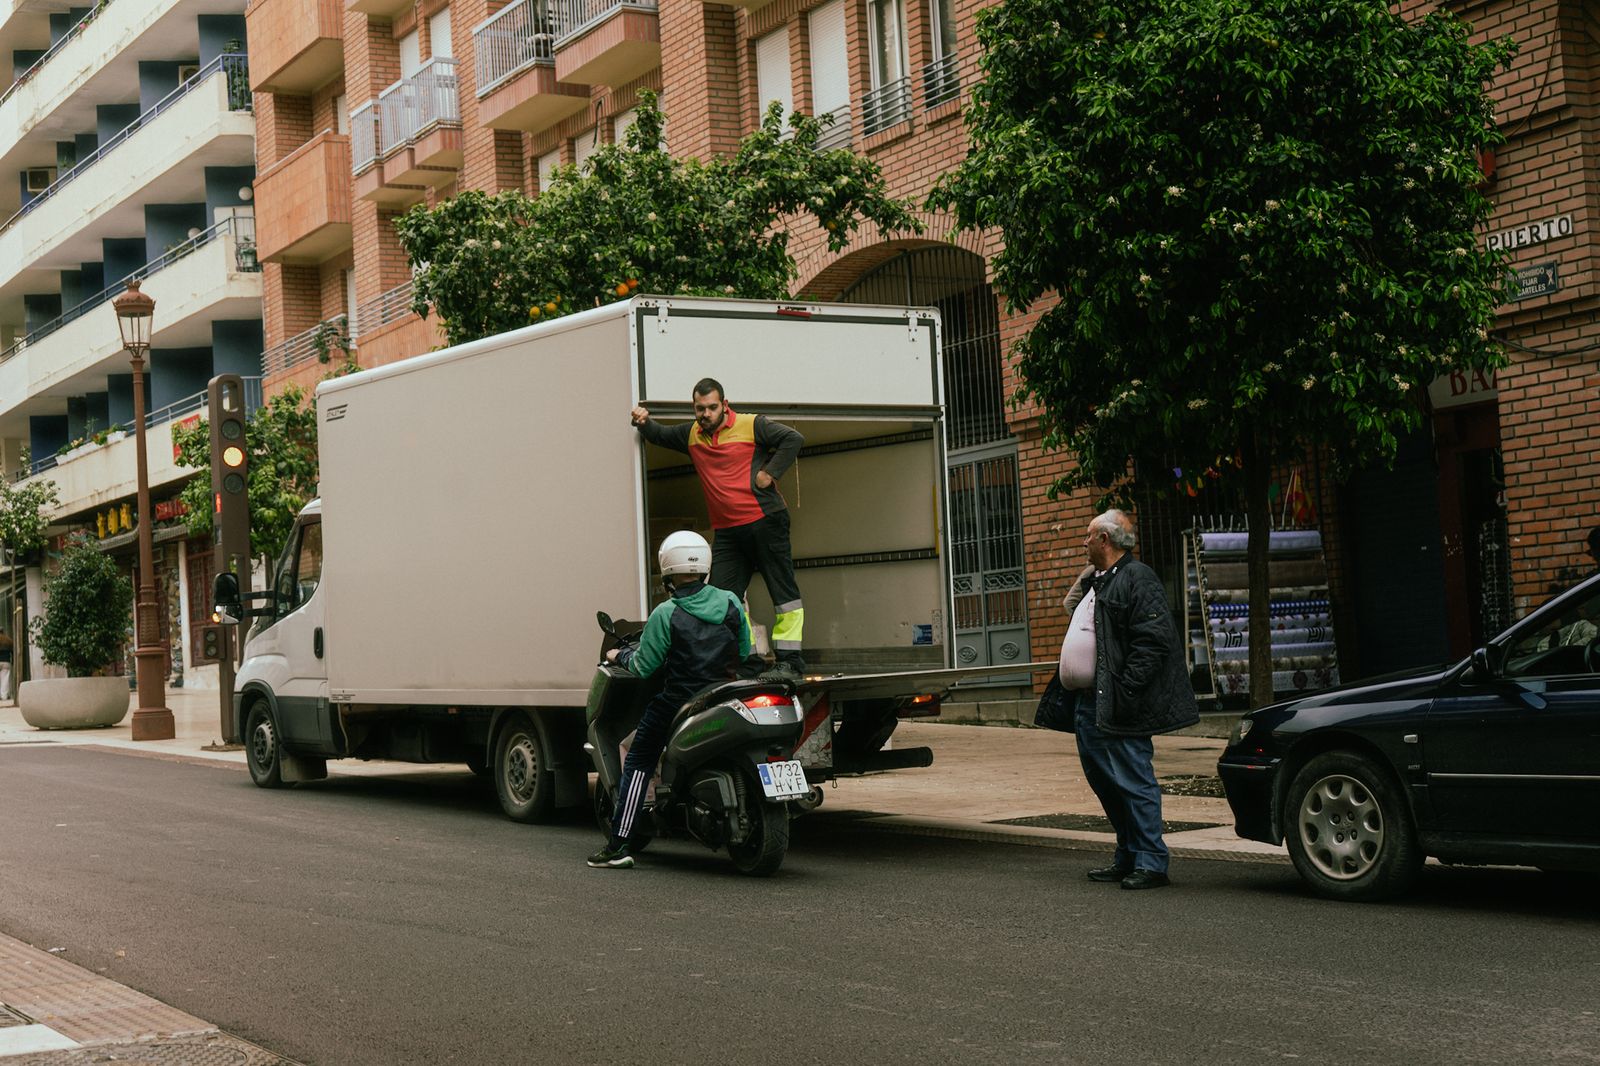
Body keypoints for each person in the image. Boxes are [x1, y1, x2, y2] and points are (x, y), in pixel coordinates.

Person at [588, 530, 752, 870]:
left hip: (681, 701)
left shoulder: (667, 613)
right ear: (705, 566)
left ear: (667, 573)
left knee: (638, 759)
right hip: (726, 695)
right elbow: (744, 650)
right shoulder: (731, 602)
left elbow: (644, 666)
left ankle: (619, 844)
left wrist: (619, 655)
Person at [631, 378, 807, 674]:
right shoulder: (691, 435)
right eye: (700, 408)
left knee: (783, 594)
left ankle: (790, 662)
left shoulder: (752, 425)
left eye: (712, 407)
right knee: (723, 600)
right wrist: (643, 422)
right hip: (728, 531)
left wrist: (769, 473)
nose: (706, 414)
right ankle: (748, 661)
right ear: (694, 408)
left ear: (724, 405)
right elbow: (660, 434)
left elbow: (794, 439)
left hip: (765, 520)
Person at [1066, 509, 1199, 890]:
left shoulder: (1137, 578)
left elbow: (1153, 642)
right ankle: (1127, 855)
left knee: (1133, 780)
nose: (1084, 542)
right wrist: (1092, 575)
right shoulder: (1099, 580)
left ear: (1104, 540)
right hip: (1090, 701)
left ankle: (1151, 861)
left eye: (1089, 536)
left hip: (1120, 700)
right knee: (1105, 782)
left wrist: (1126, 690)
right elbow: (1070, 608)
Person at [0, 629, 12, 703]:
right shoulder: (8, 640)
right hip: (6, 661)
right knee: (5, 679)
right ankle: (4, 696)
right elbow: (13, 652)